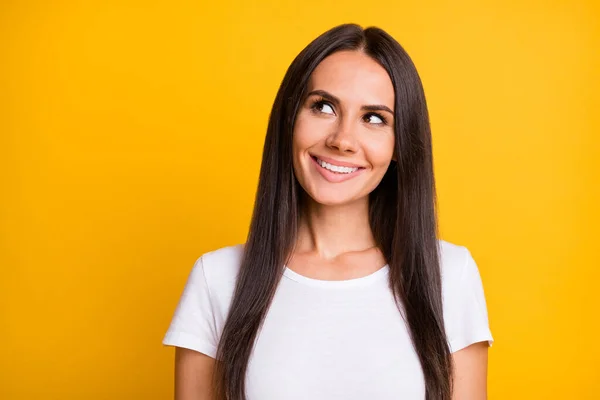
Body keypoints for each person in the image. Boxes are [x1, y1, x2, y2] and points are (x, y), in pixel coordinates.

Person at [162, 23, 494, 400]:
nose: (342, 140)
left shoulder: (450, 275)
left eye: (374, 118)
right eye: (323, 107)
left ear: (400, 144)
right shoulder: (217, 279)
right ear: (290, 121)